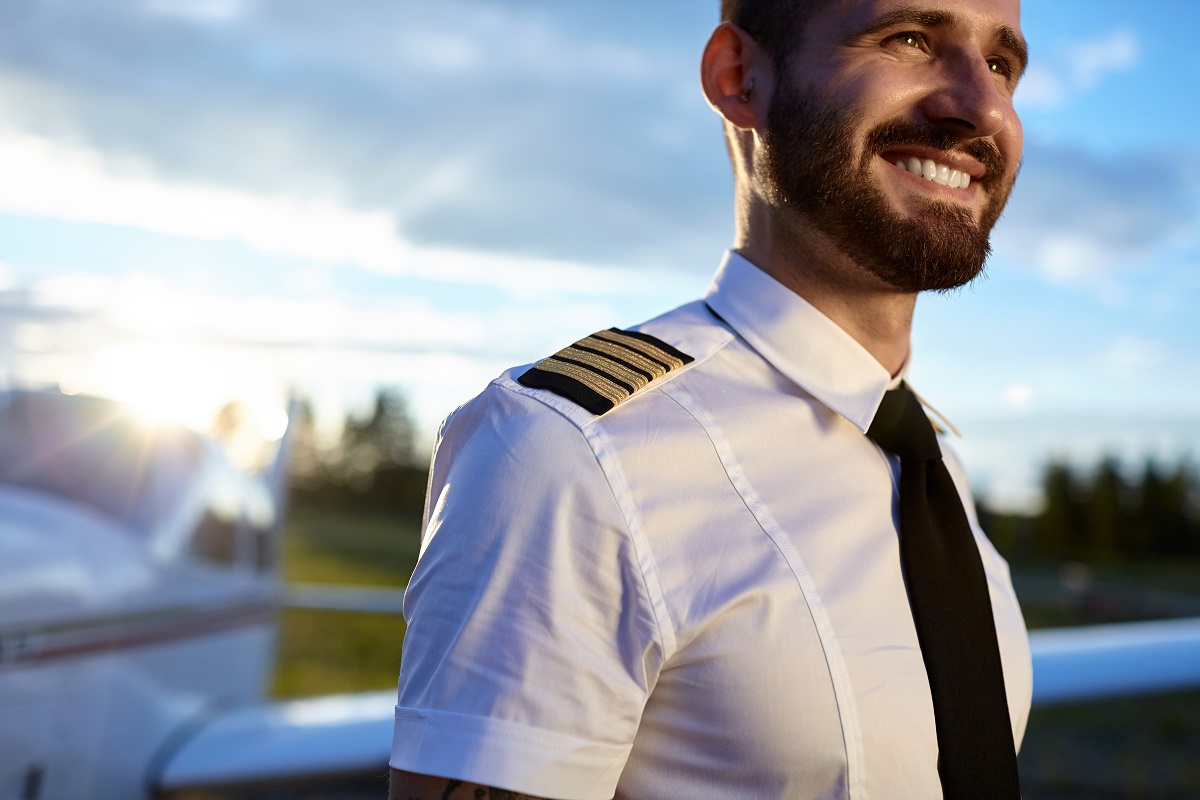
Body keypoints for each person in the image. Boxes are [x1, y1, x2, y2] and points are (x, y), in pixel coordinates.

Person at [389, 0, 1031, 797]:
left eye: (1002, 64)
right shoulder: (573, 456)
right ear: (738, 78)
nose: (983, 106)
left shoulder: (933, 469)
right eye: (908, 40)